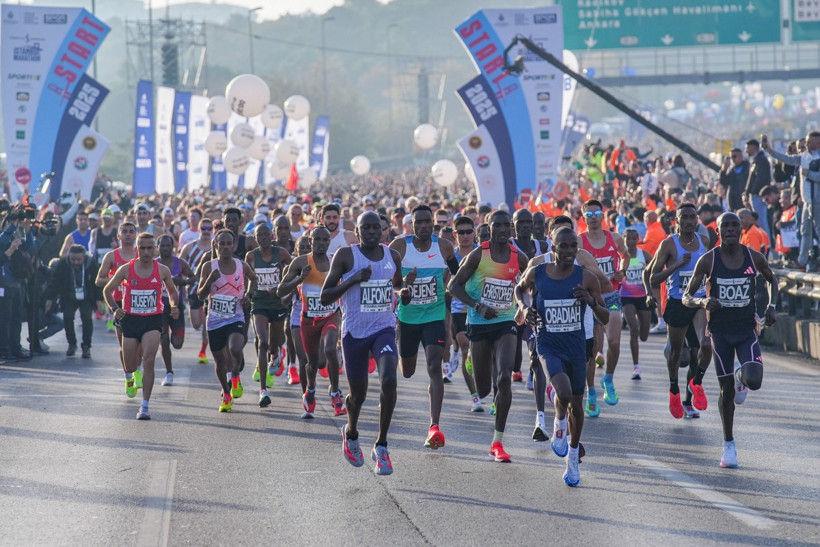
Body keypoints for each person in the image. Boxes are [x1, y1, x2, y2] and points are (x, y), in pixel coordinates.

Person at [683, 212, 777, 468]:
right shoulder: (708, 260)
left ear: (740, 229)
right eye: (727, 226)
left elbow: (772, 279)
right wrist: (703, 301)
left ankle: (741, 378)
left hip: (746, 329)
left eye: (736, 225)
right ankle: (728, 445)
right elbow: (686, 296)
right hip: (720, 333)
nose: (732, 230)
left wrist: (772, 305)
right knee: (725, 392)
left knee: (754, 380)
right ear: (718, 230)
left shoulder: (753, 257)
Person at [517, 226, 608, 486]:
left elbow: (604, 315)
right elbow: (519, 289)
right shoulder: (538, 273)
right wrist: (524, 307)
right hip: (548, 344)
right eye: (563, 246)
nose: (568, 251)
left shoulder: (587, 277)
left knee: (576, 405)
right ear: (553, 248)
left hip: (576, 346)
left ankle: (572, 457)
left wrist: (590, 301)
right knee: (564, 393)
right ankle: (558, 421)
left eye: (572, 246)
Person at [321, 211, 408, 476]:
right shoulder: (346, 256)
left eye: (376, 228)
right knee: (357, 395)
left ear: (384, 231)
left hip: (383, 328)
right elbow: (326, 296)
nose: (371, 232)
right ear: (357, 232)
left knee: (389, 380)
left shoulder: (392, 256)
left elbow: (396, 286)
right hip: (354, 333)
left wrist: (402, 292)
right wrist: (353, 279)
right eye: (365, 228)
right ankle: (351, 432)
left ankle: (381, 445)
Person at [448, 210, 529, 463]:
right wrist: (477, 306)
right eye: (498, 225)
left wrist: (525, 306)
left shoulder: (520, 258)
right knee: (483, 390)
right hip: (479, 323)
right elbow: (453, 286)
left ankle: (497, 441)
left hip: (506, 321)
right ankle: (473, 356)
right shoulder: (477, 254)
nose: (503, 229)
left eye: (507, 225)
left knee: (504, 377)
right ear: (489, 228)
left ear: (512, 230)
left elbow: (529, 288)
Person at [390, 205, 458, 449]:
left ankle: (434, 426)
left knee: (434, 366)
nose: (423, 226)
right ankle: (403, 363)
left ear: (433, 223)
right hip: (407, 319)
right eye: (418, 222)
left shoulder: (444, 247)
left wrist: (451, 289)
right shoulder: (398, 247)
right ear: (411, 224)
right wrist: (402, 289)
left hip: (434, 316)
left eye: (427, 222)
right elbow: (390, 282)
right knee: (407, 372)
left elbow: (458, 274)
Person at [103, 233, 180, 420]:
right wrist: (114, 308)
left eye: (149, 248)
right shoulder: (126, 269)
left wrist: (174, 306)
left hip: (152, 320)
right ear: (137, 249)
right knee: (130, 365)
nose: (146, 252)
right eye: (142, 248)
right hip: (131, 320)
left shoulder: (161, 270)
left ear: (154, 248)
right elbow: (107, 290)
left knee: (149, 360)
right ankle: (131, 376)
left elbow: (172, 292)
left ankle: (144, 406)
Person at [650, 204, 712, 419]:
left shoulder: (704, 242)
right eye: (683, 217)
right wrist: (676, 265)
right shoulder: (669, 244)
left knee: (703, 347)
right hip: (677, 302)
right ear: (676, 221)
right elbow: (653, 278)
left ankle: (695, 386)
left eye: (692, 217)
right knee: (678, 353)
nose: (688, 221)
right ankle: (674, 390)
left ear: (696, 220)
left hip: (698, 300)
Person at [279, 227, 347, 417]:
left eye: (325, 240)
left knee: (331, 349)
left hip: (331, 315)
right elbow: (280, 290)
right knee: (311, 363)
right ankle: (310, 389)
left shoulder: (336, 261)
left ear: (329, 242)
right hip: (308, 319)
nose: (321, 244)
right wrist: (300, 279)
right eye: (317, 240)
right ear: (310, 241)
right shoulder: (301, 262)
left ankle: (335, 392)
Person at [579, 199, 629, 411]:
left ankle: (608, 379)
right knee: (592, 351)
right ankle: (591, 391)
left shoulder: (614, 238)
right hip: (591, 299)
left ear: (603, 215)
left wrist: (623, 271)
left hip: (610, 296)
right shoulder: (580, 242)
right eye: (588, 215)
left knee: (615, 342)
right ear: (583, 218)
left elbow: (625, 255)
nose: (593, 218)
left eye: (596, 213)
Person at [198, 229, 256, 413]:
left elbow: (254, 279)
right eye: (221, 243)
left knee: (235, 348)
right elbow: (200, 295)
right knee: (220, 361)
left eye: (228, 243)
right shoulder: (209, 267)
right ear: (215, 246)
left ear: (233, 245)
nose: (225, 247)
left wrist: (249, 295)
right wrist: (209, 281)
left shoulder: (241, 265)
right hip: (215, 320)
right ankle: (226, 393)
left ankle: (236, 376)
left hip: (235, 316)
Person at [246, 223, 292, 406]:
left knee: (274, 344)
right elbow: (249, 278)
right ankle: (263, 389)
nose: (263, 237)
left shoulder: (280, 253)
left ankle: (277, 352)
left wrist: (283, 289)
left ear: (271, 235)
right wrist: (247, 295)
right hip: (259, 303)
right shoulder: (251, 256)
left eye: (266, 234)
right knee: (262, 342)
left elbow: (293, 269)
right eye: (260, 235)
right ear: (255, 238)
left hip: (278, 303)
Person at [763, 130, 820, 268]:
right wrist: (771, 151)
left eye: (809, 141)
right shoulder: (804, 157)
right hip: (807, 201)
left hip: (817, 200)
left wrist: (809, 174)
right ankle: (802, 260)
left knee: (818, 231)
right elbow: (788, 159)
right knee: (805, 231)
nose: (806, 143)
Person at [509, 208, 547, 385]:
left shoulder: (542, 247)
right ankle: (519, 369)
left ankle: (534, 371)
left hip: (535, 305)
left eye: (528, 223)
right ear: (513, 225)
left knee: (535, 348)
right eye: (520, 222)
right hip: (512, 306)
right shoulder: (507, 245)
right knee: (515, 360)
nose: (524, 226)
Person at [449, 216, 482, 411]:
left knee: (482, 353)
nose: (465, 235)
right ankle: (475, 397)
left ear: (474, 232)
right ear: (455, 235)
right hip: (458, 308)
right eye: (461, 232)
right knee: (464, 346)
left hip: (480, 307)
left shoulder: (481, 253)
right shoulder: (451, 255)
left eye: (468, 231)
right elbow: (445, 279)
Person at [44, 244, 100, 358]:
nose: (75, 262)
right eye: (73, 259)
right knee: (68, 318)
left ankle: (86, 346)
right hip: (69, 296)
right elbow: (55, 282)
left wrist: (99, 300)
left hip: (86, 297)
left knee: (86, 318)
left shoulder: (92, 264)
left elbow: (97, 283)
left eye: (79, 259)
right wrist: (50, 299)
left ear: (84, 258)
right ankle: (72, 344)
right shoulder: (63, 264)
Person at [156, 234, 194, 386]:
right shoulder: (154, 264)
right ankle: (169, 372)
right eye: (162, 245)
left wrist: (182, 282)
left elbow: (193, 277)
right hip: (159, 308)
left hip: (176, 308)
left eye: (167, 245)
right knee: (164, 340)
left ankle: (169, 347)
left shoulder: (180, 263)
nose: (165, 248)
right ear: (157, 247)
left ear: (173, 247)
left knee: (177, 343)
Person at [179, 217, 214, 363]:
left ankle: (203, 351)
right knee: (196, 324)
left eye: (209, 229)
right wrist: (180, 281)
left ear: (212, 231)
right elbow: (179, 264)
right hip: (193, 288)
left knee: (207, 322)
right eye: (203, 229)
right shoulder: (190, 247)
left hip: (211, 289)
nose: (206, 232)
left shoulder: (215, 248)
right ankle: (200, 312)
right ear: (199, 230)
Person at [619, 228, 651, 380]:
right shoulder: (620, 257)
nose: (631, 241)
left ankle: (641, 323)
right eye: (628, 238)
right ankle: (636, 367)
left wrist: (652, 286)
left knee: (643, 336)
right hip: (626, 296)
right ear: (623, 239)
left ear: (637, 239)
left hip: (643, 297)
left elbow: (655, 267)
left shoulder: (643, 255)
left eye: (634, 238)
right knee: (634, 328)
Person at [743, 139, 772, 242]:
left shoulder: (762, 160)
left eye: (747, 148)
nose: (746, 151)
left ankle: (766, 244)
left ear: (753, 148)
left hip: (759, 195)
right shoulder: (756, 160)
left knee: (761, 222)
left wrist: (753, 191)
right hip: (755, 195)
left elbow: (761, 179)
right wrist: (747, 192)